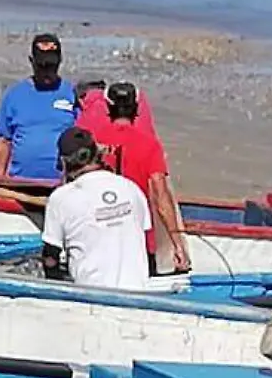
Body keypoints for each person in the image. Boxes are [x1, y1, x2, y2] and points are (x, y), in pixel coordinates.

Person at [78, 81, 190, 275]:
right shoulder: (150, 146)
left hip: (98, 237)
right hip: (138, 240)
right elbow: (160, 196)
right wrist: (177, 242)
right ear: (136, 108)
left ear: (108, 107)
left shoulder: (92, 143)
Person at [41, 128, 153, 291]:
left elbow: (50, 258)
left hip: (92, 294)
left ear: (64, 163)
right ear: (97, 155)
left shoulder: (61, 198)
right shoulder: (130, 188)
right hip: (139, 290)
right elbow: (143, 238)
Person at [0, 32, 77, 182]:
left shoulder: (71, 94)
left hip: (62, 182)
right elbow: (4, 140)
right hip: (20, 180)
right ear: (31, 61)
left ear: (60, 62)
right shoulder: (14, 95)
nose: (47, 72)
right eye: (42, 66)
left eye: (51, 66)